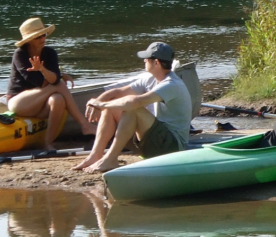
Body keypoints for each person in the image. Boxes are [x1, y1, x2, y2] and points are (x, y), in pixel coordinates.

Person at [72, 42, 191, 173]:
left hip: (171, 148)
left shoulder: (172, 84)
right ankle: (95, 155)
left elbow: (135, 102)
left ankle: (110, 159)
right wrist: (97, 102)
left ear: (156, 62)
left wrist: (101, 105)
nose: (144, 60)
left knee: (133, 109)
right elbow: (116, 92)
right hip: (154, 141)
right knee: (112, 105)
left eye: (147, 58)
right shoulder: (150, 79)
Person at [7, 17, 97, 151]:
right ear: (29, 40)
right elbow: (40, 82)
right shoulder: (20, 54)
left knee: (58, 99)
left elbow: (53, 80)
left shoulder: (50, 53)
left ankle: (47, 143)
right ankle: (84, 124)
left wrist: (43, 69)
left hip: (41, 105)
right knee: (60, 85)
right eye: (37, 37)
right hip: (19, 103)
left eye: (44, 35)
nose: (42, 38)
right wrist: (53, 75)